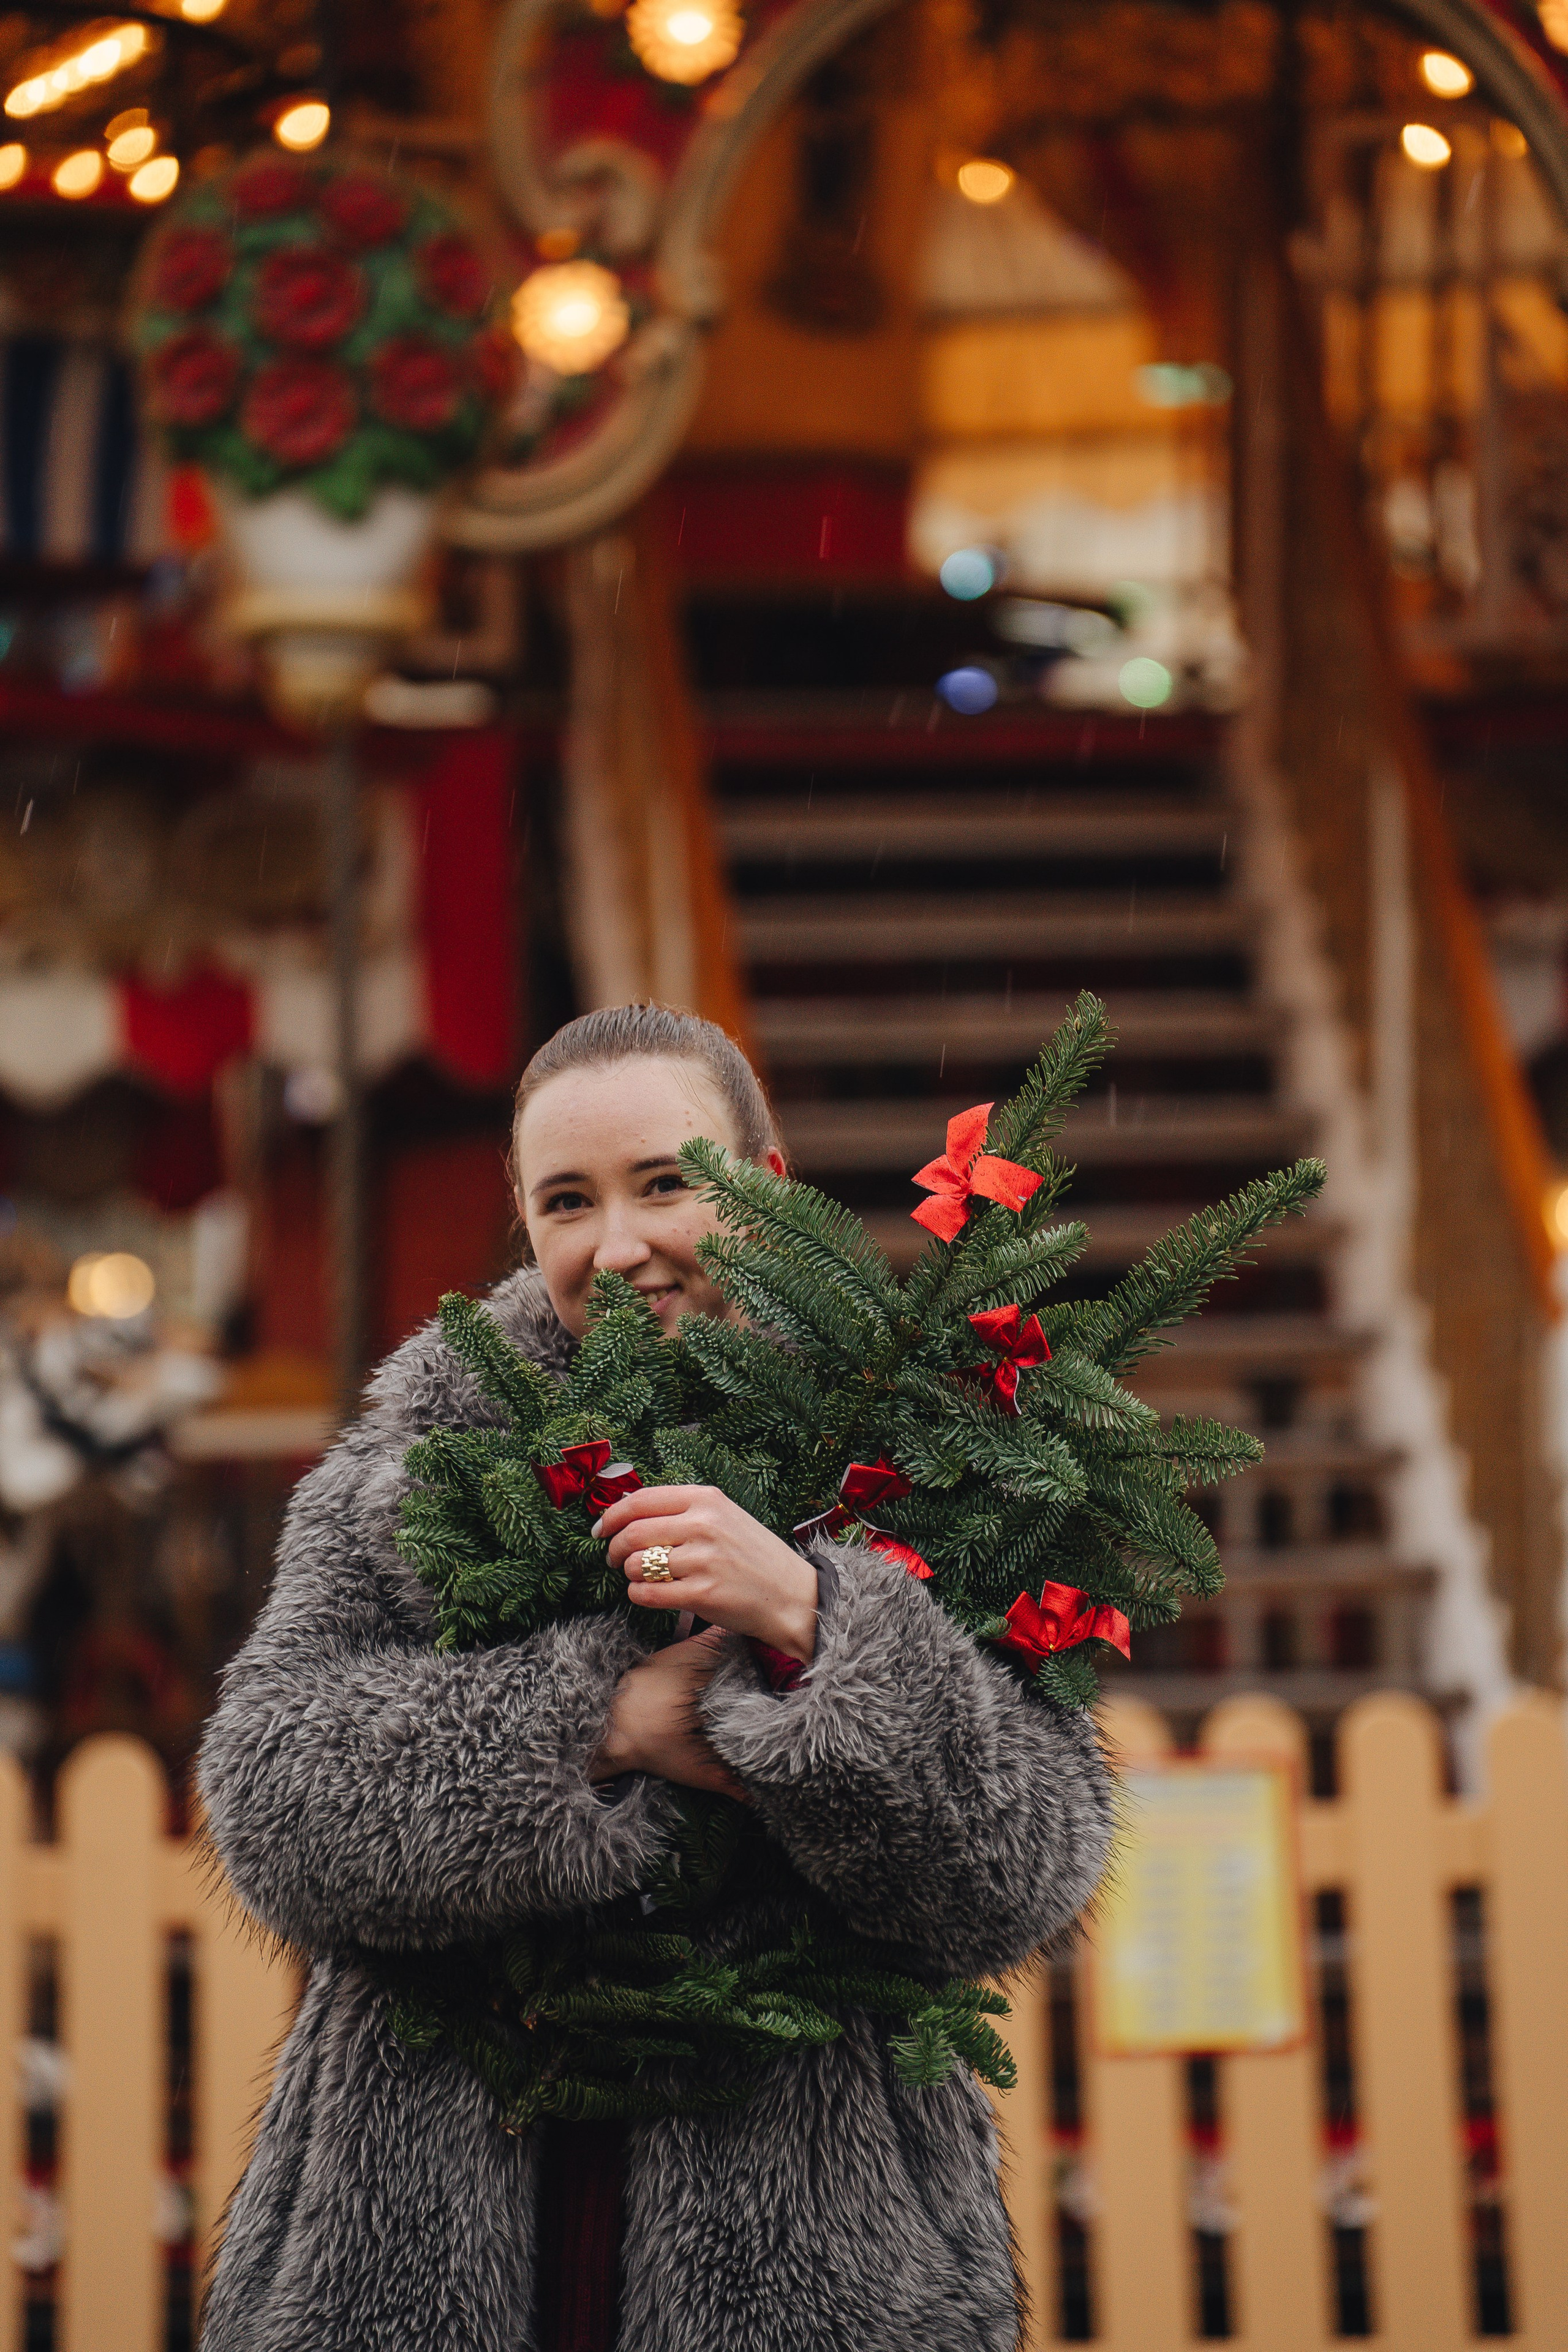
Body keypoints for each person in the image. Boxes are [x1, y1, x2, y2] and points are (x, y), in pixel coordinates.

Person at [197, 1003, 1114, 2352]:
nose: (618, 1246)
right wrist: (602, 1720)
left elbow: (1020, 1874)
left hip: (820, 2260)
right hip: (413, 2240)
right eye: (568, 1201)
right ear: (525, 1218)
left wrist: (814, 1620)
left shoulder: (917, 1461)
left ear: (768, 1185)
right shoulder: (409, 1475)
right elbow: (271, 1803)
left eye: (667, 1183)